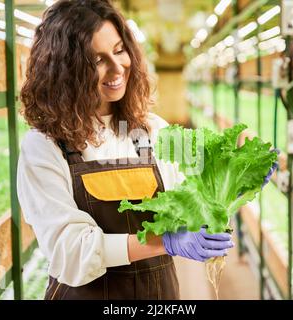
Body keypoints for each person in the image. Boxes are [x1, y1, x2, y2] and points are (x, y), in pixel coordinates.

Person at [17, 0, 257, 300]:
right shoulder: (45, 145)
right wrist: (164, 242)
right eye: (96, 60)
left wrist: (236, 178)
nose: (118, 68)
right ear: (65, 71)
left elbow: (192, 199)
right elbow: (71, 251)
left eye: (119, 50)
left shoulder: (150, 130)